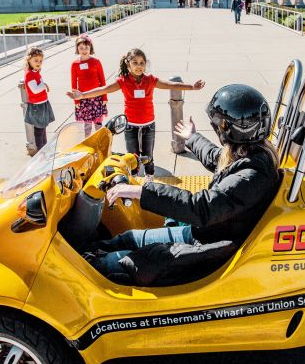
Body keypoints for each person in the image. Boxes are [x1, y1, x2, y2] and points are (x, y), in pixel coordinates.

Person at [87, 84, 282, 286]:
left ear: (227, 129)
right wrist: (192, 137)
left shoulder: (252, 175)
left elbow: (202, 208)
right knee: (127, 239)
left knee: (115, 263)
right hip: (207, 231)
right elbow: (216, 157)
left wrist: (142, 191)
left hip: (208, 243)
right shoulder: (250, 154)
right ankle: (88, 251)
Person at [69, 48, 204, 181]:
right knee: (132, 156)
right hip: (130, 126)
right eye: (135, 63)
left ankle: (149, 178)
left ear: (145, 64)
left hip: (148, 125)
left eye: (142, 63)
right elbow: (103, 89)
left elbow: (171, 84)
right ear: (128, 64)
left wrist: (192, 87)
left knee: (148, 155)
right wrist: (82, 95)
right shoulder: (123, 81)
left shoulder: (150, 80)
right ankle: (133, 178)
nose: (139, 66)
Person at [71, 34, 107, 135]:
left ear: (90, 47)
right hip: (83, 98)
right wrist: (76, 100)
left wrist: (104, 97)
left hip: (97, 97)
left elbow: (103, 81)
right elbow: (74, 84)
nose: (84, 50)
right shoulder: (75, 64)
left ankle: (99, 142)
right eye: (81, 48)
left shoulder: (96, 62)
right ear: (77, 48)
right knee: (87, 126)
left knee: (98, 124)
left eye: (86, 47)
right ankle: (88, 144)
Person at [23, 45, 55, 150]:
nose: (38, 63)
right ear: (29, 60)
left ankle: (44, 148)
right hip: (37, 106)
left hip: (42, 103)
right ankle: (41, 150)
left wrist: (43, 84)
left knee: (43, 128)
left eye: (40, 61)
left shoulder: (36, 72)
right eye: (36, 60)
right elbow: (35, 89)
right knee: (39, 129)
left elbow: (39, 84)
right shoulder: (29, 74)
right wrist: (44, 85)